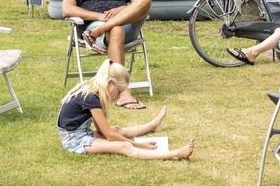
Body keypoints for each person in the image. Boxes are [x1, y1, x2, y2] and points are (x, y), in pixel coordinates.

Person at [62, 0, 153, 109]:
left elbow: (139, 3)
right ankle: (123, 93)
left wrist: (121, 9)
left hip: (121, 26)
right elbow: (67, 9)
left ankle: (103, 29)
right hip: (94, 26)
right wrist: (99, 17)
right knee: (116, 30)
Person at [57, 59, 194, 160]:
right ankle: (174, 154)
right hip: (74, 141)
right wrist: (138, 145)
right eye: (119, 91)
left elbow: (103, 131)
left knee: (117, 130)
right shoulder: (91, 98)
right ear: (110, 83)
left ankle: (153, 125)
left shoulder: (92, 89)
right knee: (124, 146)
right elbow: (109, 136)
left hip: (80, 133)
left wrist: (115, 135)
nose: (119, 96)